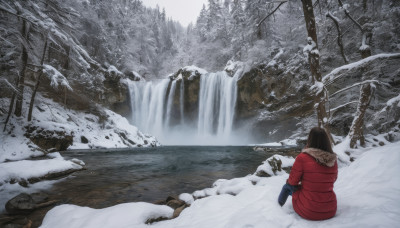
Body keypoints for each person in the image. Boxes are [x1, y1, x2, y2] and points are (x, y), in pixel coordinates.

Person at [278, 127, 338, 220]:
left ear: (310, 139)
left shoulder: (303, 157)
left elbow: (292, 182)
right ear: (326, 141)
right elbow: (333, 179)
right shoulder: (333, 160)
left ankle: (277, 208)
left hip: (308, 211)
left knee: (287, 187)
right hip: (330, 210)